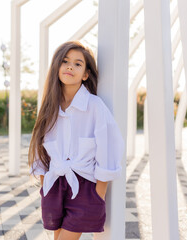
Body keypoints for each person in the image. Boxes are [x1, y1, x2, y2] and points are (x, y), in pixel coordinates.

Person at [28, 41, 125, 240]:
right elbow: (40, 151)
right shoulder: (49, 108)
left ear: (86, 74)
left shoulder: (95, 106)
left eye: (78, 64)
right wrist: (45, 186)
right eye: (65, 61)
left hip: (85, 187)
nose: (70, 66)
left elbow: (109, 149)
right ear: (57, 67)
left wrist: (98, 194)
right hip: (54, 185)